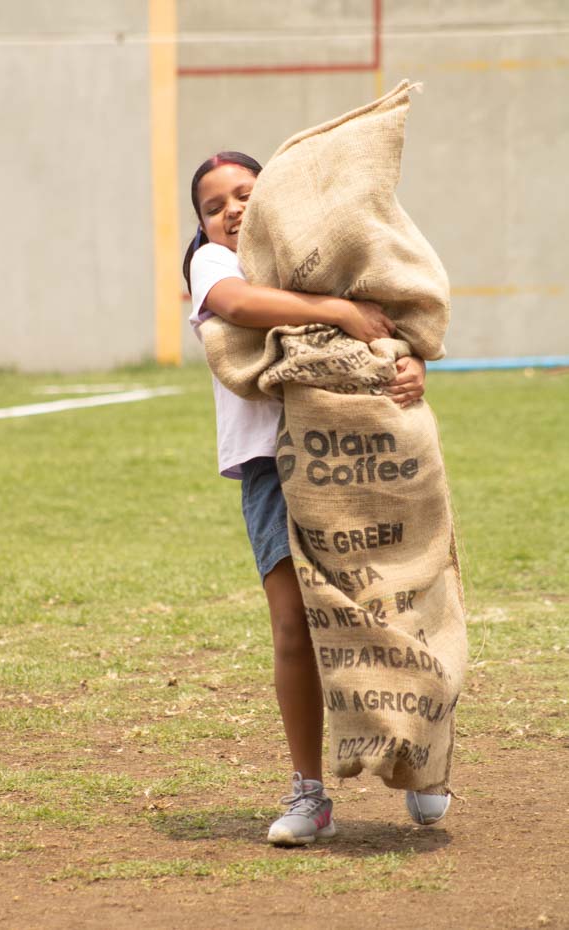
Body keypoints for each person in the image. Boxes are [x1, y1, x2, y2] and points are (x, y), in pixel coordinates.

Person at [184, 151, 449, 846]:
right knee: (292, 629)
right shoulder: (214, 267)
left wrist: (411, 367)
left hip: (364, 461)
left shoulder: (326, 255)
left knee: (394, 611)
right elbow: (241, 307)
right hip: (274, 470)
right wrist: (335, 310)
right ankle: (309, 792)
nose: (232, 210)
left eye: (247, 193)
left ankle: (420, 763)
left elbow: (391, 330)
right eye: (214, 206)